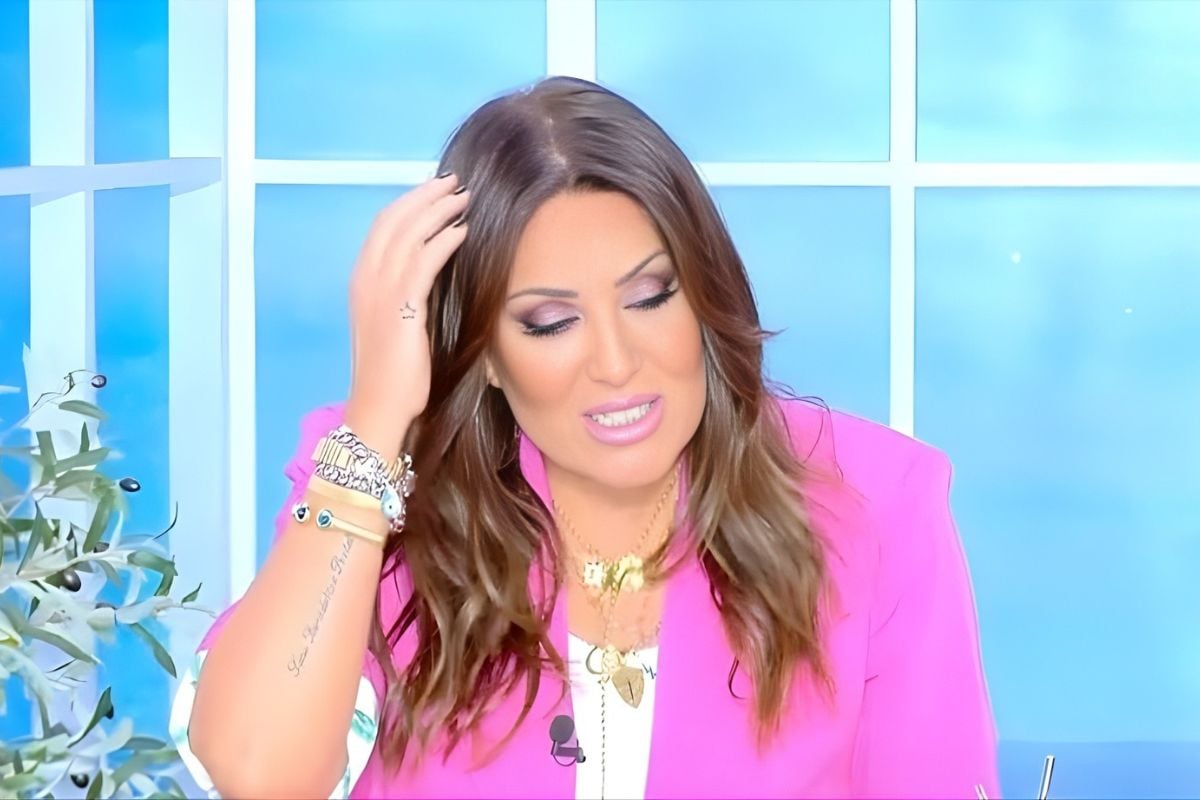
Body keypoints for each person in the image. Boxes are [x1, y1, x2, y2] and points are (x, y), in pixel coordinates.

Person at [170, 76, 1001, 799]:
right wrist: (378, 418)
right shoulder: (379, 487)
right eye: (550, 322)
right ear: (485, 354)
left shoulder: (876, 502)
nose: (616, 362)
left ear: (703, 293)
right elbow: (259, 774)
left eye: (650, 298)